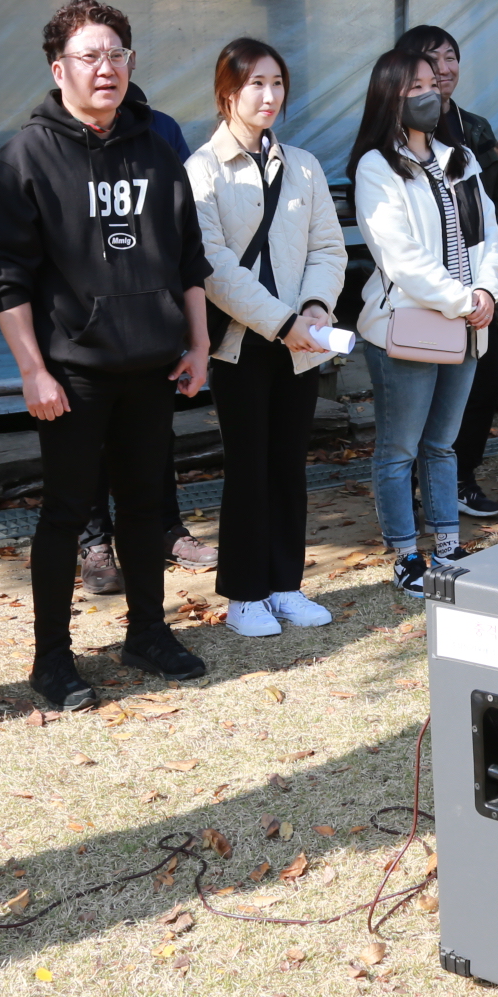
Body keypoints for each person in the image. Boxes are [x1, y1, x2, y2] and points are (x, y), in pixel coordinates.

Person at [0, 0, 213, 712]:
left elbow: (188, 257)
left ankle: (148, 632)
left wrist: (198, 344)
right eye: (89, 56)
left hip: (152, 365)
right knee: (67, 512)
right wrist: (33, 369)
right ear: (59, 69)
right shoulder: (24, 156)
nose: (105, 68)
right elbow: (2, 277)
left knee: (147, 508)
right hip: (71, 372)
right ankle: (52, 659)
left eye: (116, 55)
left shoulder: (157, 148)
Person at [186, 37, 346, 636]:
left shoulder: (302, 164)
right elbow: (214, 265)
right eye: (255, 83)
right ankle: (244, 593)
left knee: (288, 465)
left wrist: (313, 307)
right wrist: (282, 323)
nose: (269, 95)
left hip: (302, 338)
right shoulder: (201, 169)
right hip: (242, 341)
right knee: (247, 466)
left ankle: (285, 584)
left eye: (277, 82)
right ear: (228, 92)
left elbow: (328, 246)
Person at [353, 47, 498, 596]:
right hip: (411, 326)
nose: (431, 92)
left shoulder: (460, 158)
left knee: (443, 445)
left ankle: (447, 544)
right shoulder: (377, 166)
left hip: (468, 322)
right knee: (400, 448)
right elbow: (401, 258)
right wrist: (464, 300)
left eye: (433, 84)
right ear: (390, 95)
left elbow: (487, 235)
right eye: (415, 85)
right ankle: (404, 555)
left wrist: (486, 289)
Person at [76, 85, 216, 593]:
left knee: (155, 440)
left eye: (117, 57)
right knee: (89, 443)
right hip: (86, 328)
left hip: (152, 317)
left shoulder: (161, 134)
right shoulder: (60, 143)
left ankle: (166, 528)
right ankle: (94, 543)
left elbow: (186, 230)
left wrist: (192, 335)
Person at [400, 25, 498, 520]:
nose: (443, 70)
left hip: (475, 289)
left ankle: (462, 479)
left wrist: (487, 279)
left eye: (451, 58)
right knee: (417, 394)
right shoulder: (392, 134)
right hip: (421, 290)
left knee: (484, 386)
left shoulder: (475, 129)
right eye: (431, 60)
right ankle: (408, 491)